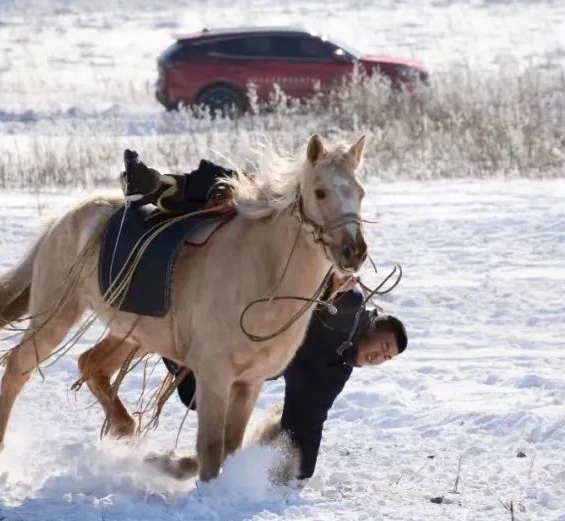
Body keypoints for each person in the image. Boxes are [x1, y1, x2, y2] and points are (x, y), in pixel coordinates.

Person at [123, 151, 409, 481]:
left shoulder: (335, 369)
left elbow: (310, 416)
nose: (378, 356)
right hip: (220, 327)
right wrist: (329, 287)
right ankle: (161, 187)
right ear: (375, 323)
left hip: (232, 369)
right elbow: (294, 275)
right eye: (383, 346)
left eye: (384, 359)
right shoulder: (349, 306)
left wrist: (301, 463)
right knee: (229, 189)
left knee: (212, 409)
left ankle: (187, 465)